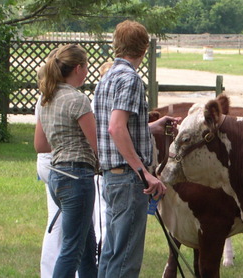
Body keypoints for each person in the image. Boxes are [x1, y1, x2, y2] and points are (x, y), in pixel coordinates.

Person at [94, 20, 178, 278]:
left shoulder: (106, 78)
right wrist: (145, 173)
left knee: (112, 253)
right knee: (125, 260)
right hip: (129, 179)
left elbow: (119, 127)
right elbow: (116, 129)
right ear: (145, 49)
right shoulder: (130, 80)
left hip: (112, 175)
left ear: (116, 46)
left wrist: (151, 125)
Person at [34, 44, 98, 277]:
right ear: (78, 68)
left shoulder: (46, 99)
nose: (87, 72)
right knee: (72, 249)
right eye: (87, 67)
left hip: (56, 177)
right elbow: (97, 144)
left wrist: (65, 140)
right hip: (77, 178)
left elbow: (40, 145)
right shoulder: (78, 100)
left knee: (87, 245)